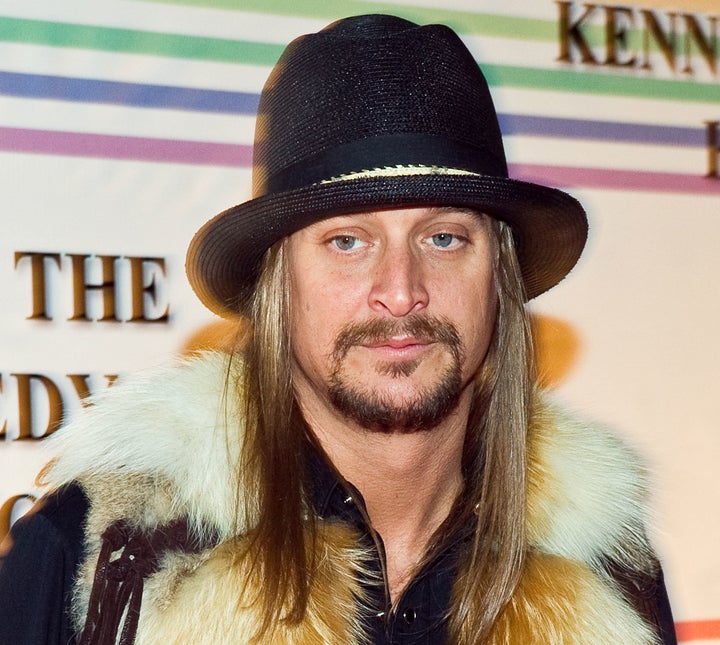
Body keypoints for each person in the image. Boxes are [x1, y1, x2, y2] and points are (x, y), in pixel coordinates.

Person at [0, 13, 676, 645]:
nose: (402, 289)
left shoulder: (606, 571)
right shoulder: (105, 557)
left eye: (443, 237)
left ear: (497, 278)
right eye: (348, 242)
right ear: (277, 283)